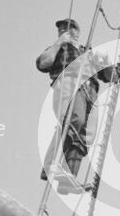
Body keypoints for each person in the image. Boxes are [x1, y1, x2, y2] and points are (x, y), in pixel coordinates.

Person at [36, 18, 114, 194]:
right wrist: (59, 43)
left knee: (86, 135)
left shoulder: (88, 53)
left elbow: (111, 77)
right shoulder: (58, 48)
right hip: (69, 85)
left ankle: (67, 179)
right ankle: (52, 166)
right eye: (63, 29)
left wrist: (107, 61)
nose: (66, 30)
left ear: (78, 32)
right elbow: (43, 63)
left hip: (89, 93)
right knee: (74, 121)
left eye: (71, 28)